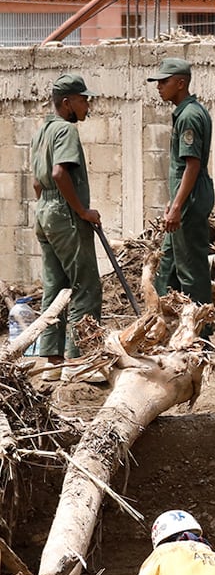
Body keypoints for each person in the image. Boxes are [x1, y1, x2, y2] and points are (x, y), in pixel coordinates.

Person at [29, 74, 101, 361]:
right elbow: (60, 173)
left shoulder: (41, 131)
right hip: (65, 214)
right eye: (84, 101)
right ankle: (79, 359)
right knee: (86, 286)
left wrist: (50, 208)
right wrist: (82, 211)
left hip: (44, 212)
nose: (87, 106)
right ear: (67, 102)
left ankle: (51, 358)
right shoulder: (65, 132)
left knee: (55, 287)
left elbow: (37, 182)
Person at [146, 57, 212, 305]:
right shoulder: (187, 112)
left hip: (190, 200)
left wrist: (177, 207)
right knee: (168, 264)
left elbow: (192, 166)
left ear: (181, 83)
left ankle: (200, 332)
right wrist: (173, 202)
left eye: (164, 81)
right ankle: (165, 324)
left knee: (191, 269)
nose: (159, 86)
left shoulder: (189, 117)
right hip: (184, 198)